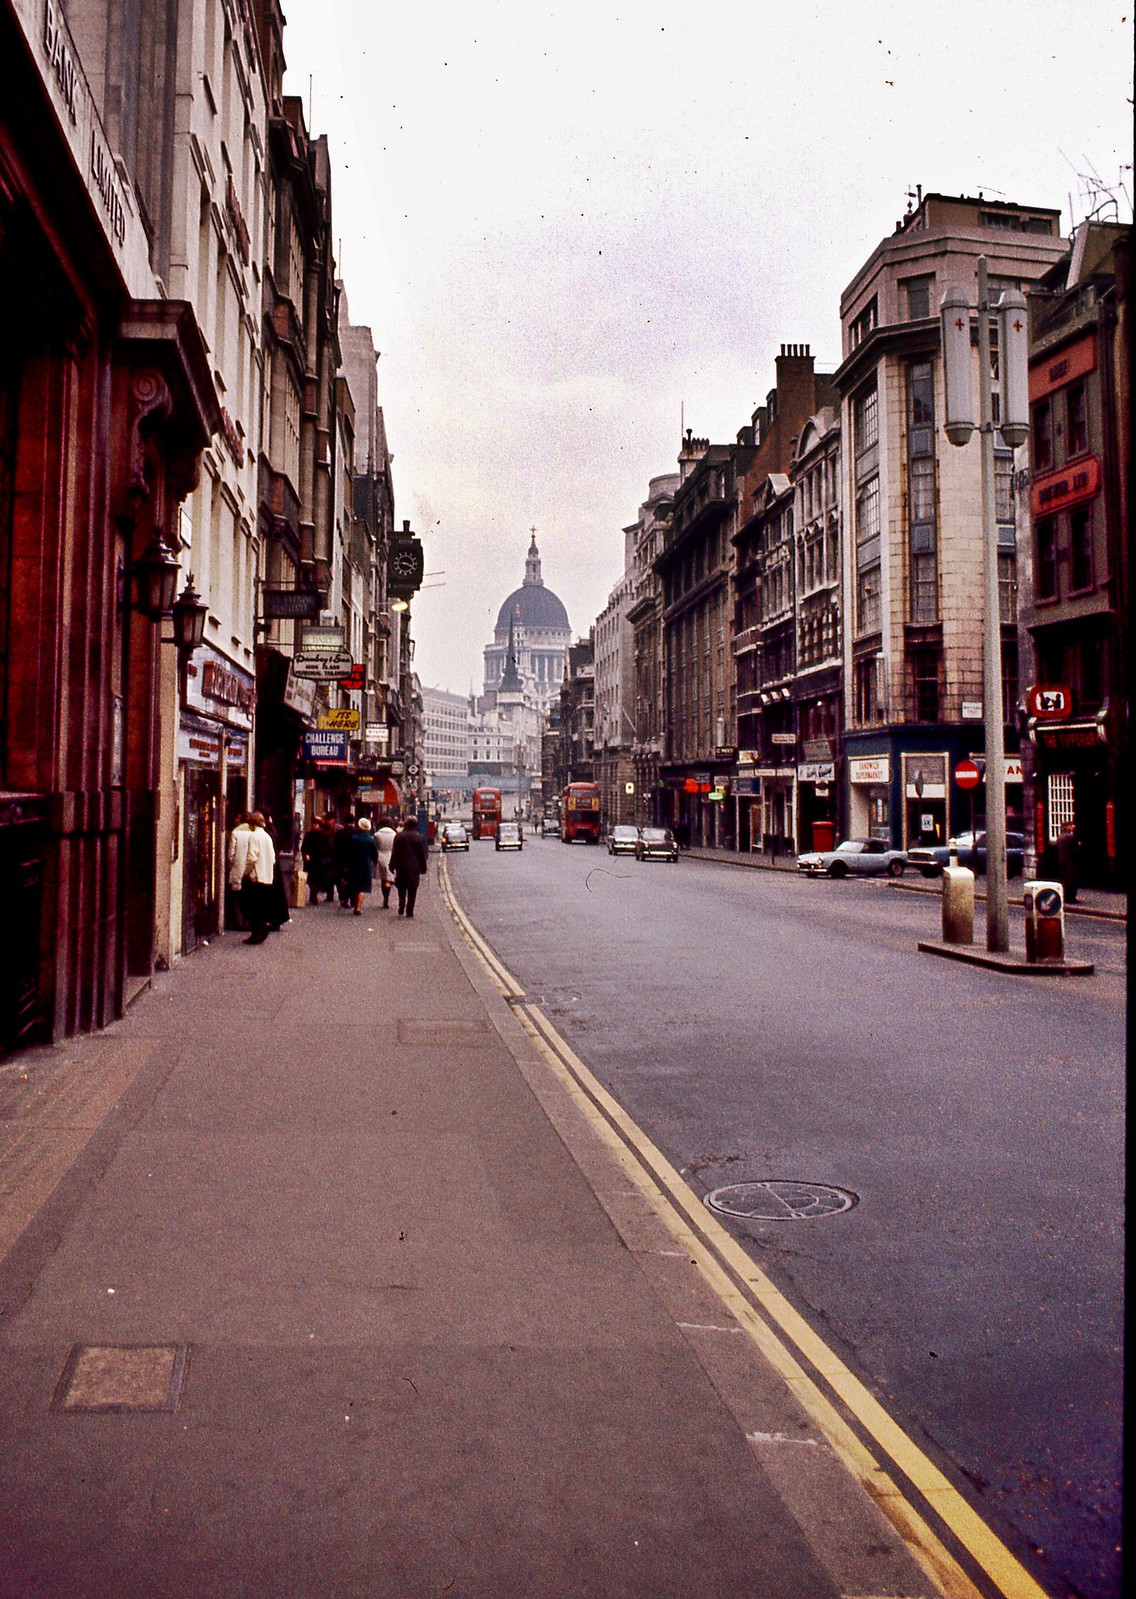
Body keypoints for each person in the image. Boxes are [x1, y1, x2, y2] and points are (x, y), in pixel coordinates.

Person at [227, 810, 277, 944]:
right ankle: (260, 929)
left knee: (252, 906)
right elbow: (272, 858)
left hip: (256, 877)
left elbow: (251, 857)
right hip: (267, 876)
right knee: (261, 906)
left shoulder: (254, 836)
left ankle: (257, 931)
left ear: (252, 824)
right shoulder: (267, 837)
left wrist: (246, 873)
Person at [389, 814, 428, 918]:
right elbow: (422, 855)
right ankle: (409, 910)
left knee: (401, 887)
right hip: (414, 867)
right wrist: (423, 868)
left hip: (401, 865)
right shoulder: (419, 837)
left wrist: (391, 866)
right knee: (412, 889)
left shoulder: (399, 836)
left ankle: (401, 905)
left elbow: (395, 852)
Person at [343, 815, 379, 915]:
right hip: (365, 865)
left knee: (353, 884)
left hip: (353, 864)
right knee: (362, 887)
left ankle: (352, 901)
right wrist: (375, 862)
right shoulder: (371, 839)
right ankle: (358, 907)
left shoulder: (353, 838)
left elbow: (348, 852)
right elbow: (374, 853)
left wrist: (346, 864)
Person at [301, 816, 335, 905]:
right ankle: (313, 895)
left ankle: (314, 896)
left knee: (316, 879)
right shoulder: (309, 835)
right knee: (310, 879)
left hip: (319, 861)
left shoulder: (322, 836)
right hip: (310, 861)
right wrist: (306, 854)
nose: (315, 826)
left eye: (317, 824)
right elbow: (304, 847)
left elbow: (328, 848)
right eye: (314, 824)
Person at [332, 816, 355, 908]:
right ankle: (352, 898)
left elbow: (335, 847)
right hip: (353, 860)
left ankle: (343, 898)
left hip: (340, 859)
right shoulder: (356, 833)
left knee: (340, 879)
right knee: (352, 879)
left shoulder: (339, 833)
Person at [375, 815, 397, 909]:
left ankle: (385, 897)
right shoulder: (395, 834)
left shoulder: (377, 834)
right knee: (389, 878)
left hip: (380, 856)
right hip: (391, 856)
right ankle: (387, 897)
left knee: (383, 879)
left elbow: (375, 846)